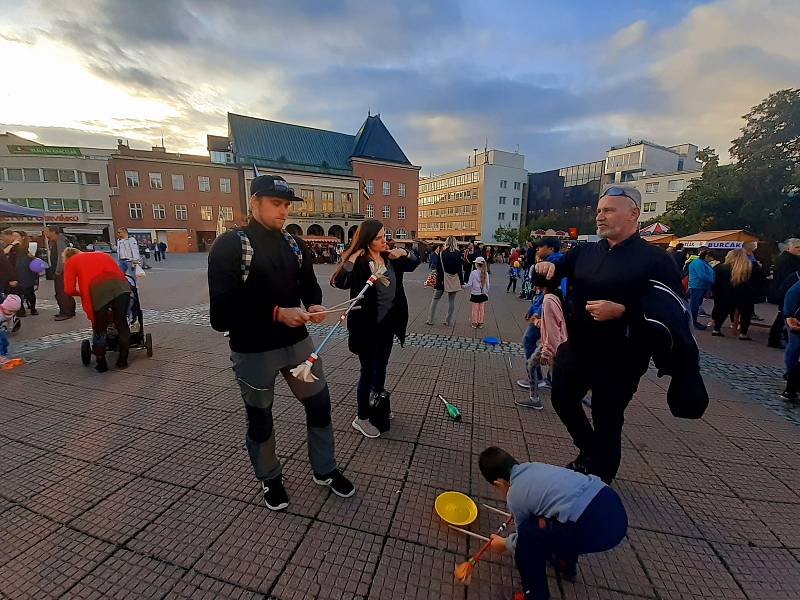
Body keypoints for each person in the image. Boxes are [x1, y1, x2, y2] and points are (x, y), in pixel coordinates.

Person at [208, 174, 354, 510]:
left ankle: (325, 468)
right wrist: (275, 313)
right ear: (254, 203)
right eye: (276, 203)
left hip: (298, 345)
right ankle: (270, 477)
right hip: (253, 351)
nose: (283, 210)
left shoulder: (294, 244)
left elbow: (307, 286)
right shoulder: (231, 245)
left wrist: (315, 304)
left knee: (320, 404)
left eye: (287, 204)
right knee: (260, 417)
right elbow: (221, 314)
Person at [534, 186, 682, 484]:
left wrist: (624, 312)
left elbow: (672, 314)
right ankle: (591, 452)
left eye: (609, 210)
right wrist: (544, 266)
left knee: (607, 417)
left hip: (622, 356)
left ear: (634, 214)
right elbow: (550, 273)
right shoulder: (584, 252)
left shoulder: (655, 260)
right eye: (599, 210)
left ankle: (601, 477)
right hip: (577, 348)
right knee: (562, 398)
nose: (600, 216)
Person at [479, 446, 627, 600]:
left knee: (529, 542)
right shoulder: (532, 467)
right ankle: (563, 561)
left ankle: (535, 595)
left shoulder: (514, 494)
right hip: (610, 503)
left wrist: (504, 544)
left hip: (595, 526)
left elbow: (526, 539)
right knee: (559, 519)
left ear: (498, 484)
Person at [332, 219, 420, 438]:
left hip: (387, 327)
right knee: (367, 371)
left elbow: (413, 263)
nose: (384, 241)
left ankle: (378, 404)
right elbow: (341, 281)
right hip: (365, 328)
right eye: (379, 238)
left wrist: (405, 253)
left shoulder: (390, 258)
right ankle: (361, 418)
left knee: (381, 368)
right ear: (367, 240)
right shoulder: (360, 263)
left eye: (385, 236)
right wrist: (350, 258)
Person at [62, 248, 131, 372]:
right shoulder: (102, 254)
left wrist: (82, 293)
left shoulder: (71, 262)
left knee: (99, 328)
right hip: (121, 286)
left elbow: (69, 289)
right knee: (122, 324)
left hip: (97, 290)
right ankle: (122, 361)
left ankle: (101, 363)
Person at [517, 274, 568, 411]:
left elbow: (551, 330)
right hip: (559, 343)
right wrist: (537, 321)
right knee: (534, 365)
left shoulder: (548, 301)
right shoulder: (555, 296)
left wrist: (546, 352)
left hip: (554, 346)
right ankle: (535, 398)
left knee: (563, 379)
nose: (534, 287)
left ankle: (536, 399)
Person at [710, 249, 763, 340]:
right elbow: (759, 282)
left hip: (726, 294)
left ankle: (716, 329)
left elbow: (716, 283)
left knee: (723, 312)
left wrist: (716, 294)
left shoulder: (722, 267)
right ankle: (743, 333)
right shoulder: (752, 267)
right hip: (745, 295)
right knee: (746, 314)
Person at [768, 239, 800, 348]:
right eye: (797, 247)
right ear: (788, 248)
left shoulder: (790, 259)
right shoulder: (787, 260)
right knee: (784, 314)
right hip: (787, 291)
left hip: (786, 290)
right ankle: (775, 339)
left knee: (785, 314)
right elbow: (788, 278)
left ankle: (781, 337)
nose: (799, 249)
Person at [427, 237, 463, 326]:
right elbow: (459, 269)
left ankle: (430, 320)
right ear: (455, 243)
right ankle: (448, 320)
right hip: (453, 279)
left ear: (446, 243)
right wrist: (461, 282)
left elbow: (439, 268)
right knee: (451, 301)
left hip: (442, 279)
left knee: (435, 299)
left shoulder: (442, 253)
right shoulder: (458, 254)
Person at [42, 225, 76, 321]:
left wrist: (58, 271)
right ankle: (70, 310)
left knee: (61, 292)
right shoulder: (56, 241)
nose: (45, 233)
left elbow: (62, 257)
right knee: (65, 291)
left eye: (46, 231)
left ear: (53, 232)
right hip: (63, 271)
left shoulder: (60, 241)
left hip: (62, 272)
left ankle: (65, 312)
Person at [687, 248, 715, 330]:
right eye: (711, 257)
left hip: (700, 286)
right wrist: (712, 280)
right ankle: (692, 322)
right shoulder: (698, 263)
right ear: (706, 256)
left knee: (696, 304)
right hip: (697, 286)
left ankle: (692, 321)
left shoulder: (702, 262)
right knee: (694, 305)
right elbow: (702, 275)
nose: (712, 259)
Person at [465, 256, 490, 328]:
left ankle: (474, 322)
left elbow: (469, 284)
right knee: (481, 309)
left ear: (476, 264)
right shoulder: (486, 273)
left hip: (475, 294)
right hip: (483, 294)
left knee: (475, 309)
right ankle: (481, 322)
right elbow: (488, 285)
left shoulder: (473, 273)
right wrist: (486, 292)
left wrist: (463, 286)